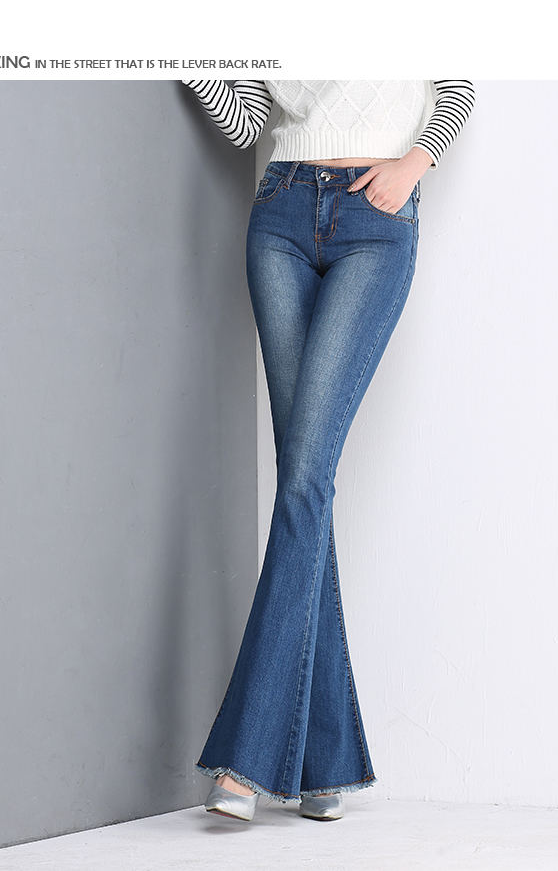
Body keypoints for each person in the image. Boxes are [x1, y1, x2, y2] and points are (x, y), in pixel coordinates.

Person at [183, 80, 475, 822]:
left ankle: (246, 762)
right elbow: (247, 121)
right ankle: (326, 762)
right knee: (305, 484)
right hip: (279, 214)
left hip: (376, 223)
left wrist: (416, 162)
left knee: (303, 483)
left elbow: (458, 83)